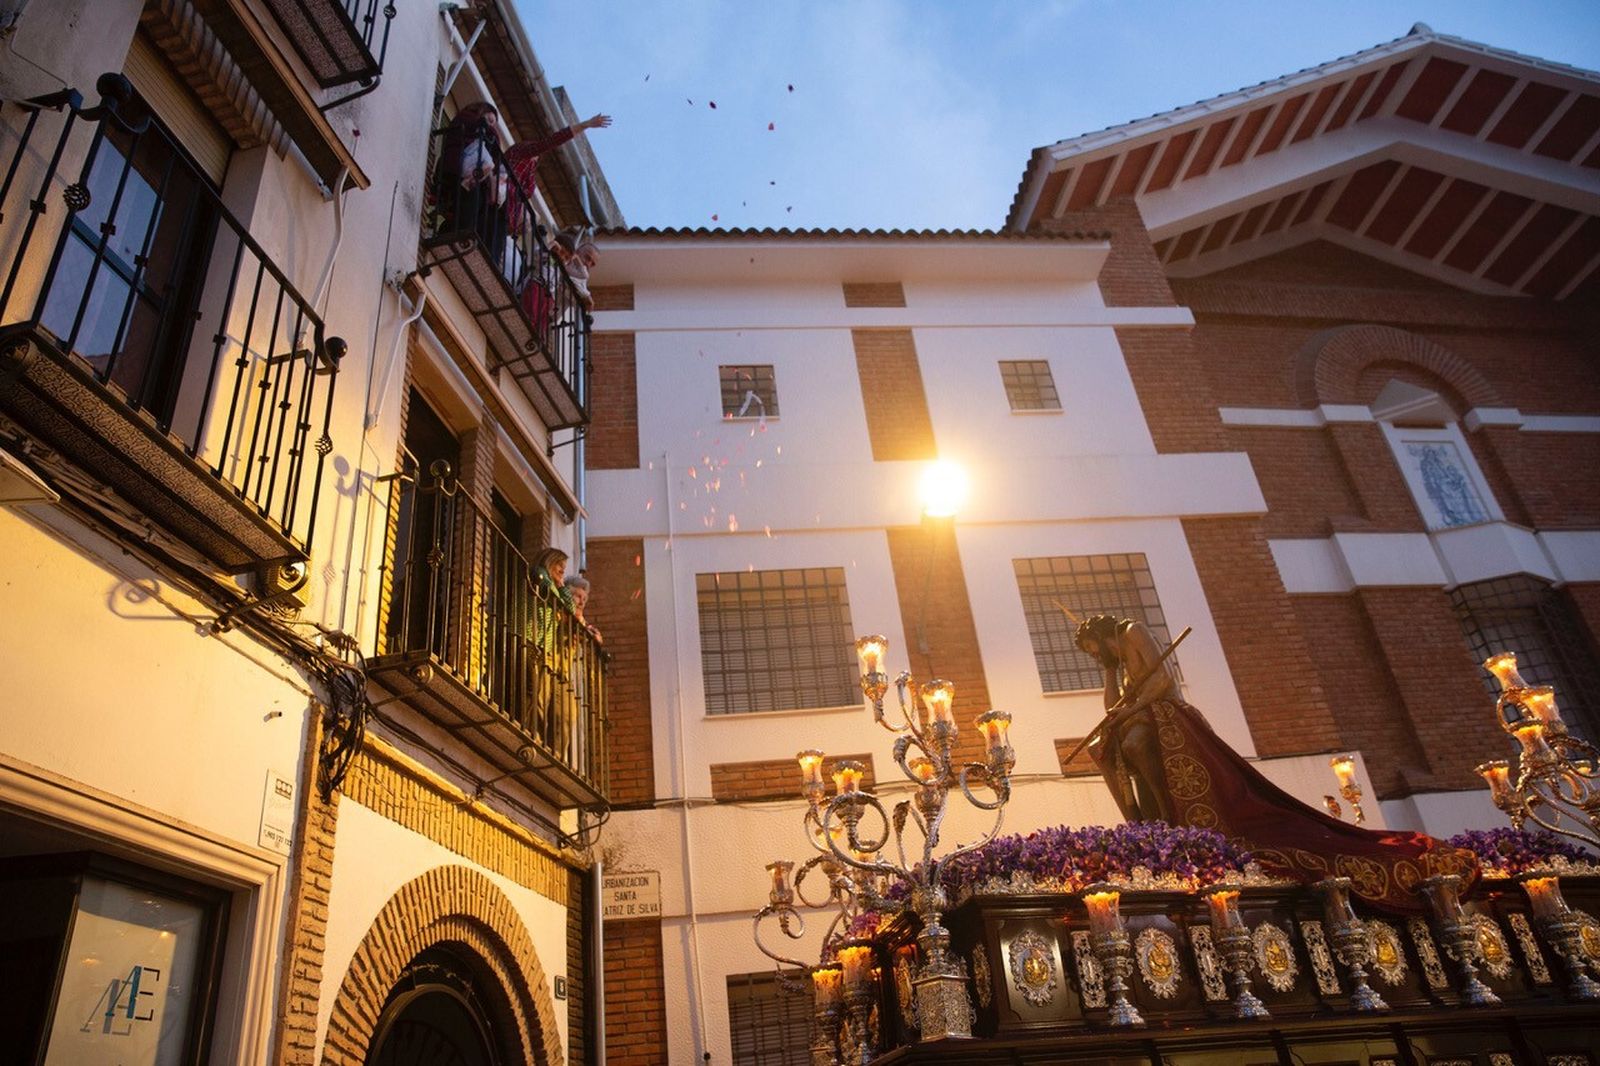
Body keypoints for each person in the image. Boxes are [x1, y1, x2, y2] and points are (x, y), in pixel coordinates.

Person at [1074, 613, 1480, 913]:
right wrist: (1110, 672)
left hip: (1166, 716)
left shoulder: (1132, 632)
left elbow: (1161, 682)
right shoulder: (1117, 660)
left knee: (1134, 738)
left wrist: (1128, 713)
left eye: (1098, 651)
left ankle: (1170, 820)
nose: (1101, 658)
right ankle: (1147, 823)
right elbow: (1113, 706)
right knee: (1103, 746)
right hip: (1143, 716)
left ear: (1103, 634)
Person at [528, 547, 574, 751]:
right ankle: (532, 734)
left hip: (541, 644)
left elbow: (570, 611)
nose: (563, 570)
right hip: (531, 639)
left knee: (540, 693)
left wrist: (562, 584)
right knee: (536, 692)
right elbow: (565, 607)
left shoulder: (554, 585)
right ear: (549, 561)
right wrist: (560, 587)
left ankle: (536, 735)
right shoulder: (540, 574)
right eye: (560, 566)